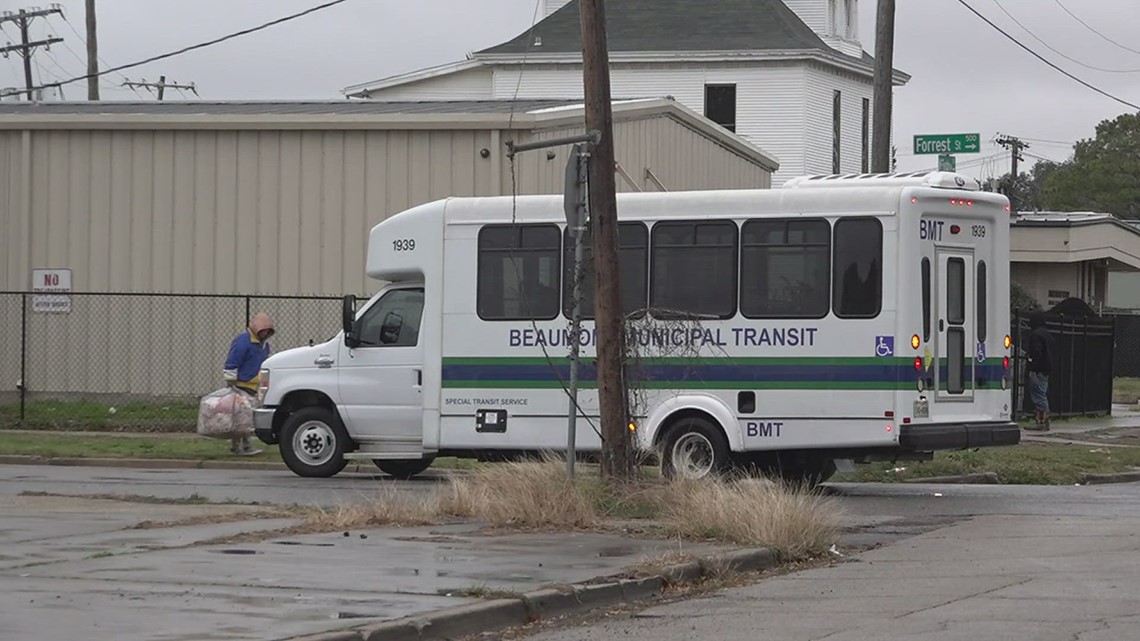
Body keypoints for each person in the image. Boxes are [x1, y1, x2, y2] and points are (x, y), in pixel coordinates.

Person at [223, 312, 275, 455]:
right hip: (241, 386)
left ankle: (239, 447)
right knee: (242, 419)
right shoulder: (243, 342)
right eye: (263, 330)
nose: (265, 333)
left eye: (267, 331)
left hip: (253, 387)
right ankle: (242, 447)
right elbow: (232, 361)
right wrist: (231, 384)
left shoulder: (263, 346)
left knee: (244, 419)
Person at [1025, 312, 1054, 431]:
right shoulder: (1048, 335)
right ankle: (1043, 421)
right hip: (1046, 369)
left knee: (1038, 395)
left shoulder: (1035, 335)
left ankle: (1041, 421)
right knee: (1042, 392)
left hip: (1037, 369)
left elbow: (1036, 352)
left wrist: (1032, 365)